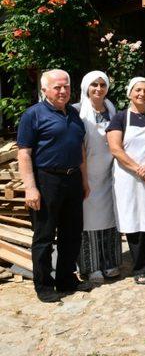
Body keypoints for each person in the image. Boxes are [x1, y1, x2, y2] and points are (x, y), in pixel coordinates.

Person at [17, 69, 91, 302]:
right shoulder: (33, 115)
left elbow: (80, 149)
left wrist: (84, 180)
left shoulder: (74, 114)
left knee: (72, 233)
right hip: (46, 180)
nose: (62, 90)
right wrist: (30, 187)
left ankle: (66, 279)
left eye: (66, 86)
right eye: (57, 87)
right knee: (44, 236)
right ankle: (44, 285)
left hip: (72, 180)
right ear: (45, 90)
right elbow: (24, 153)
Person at [106, 77, 145, 285]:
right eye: (137, 90)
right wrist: (137, 168)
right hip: (129, 175)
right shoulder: (119, 118)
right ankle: (140, 267)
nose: (142, 94)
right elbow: (115, 148)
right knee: (134, 219)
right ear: (129, 93)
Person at [73, 71, 121, 283]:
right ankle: (91, 266)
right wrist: (83, 179)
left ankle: (110, 262)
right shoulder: (77, 112)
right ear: (86, 87)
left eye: (102, 85)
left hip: (110, 172)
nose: (98, 89)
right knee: (89, 220)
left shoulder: (112, 110)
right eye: (94, 85)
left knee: (110, 216)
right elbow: (78, 147)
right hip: (88, 173)